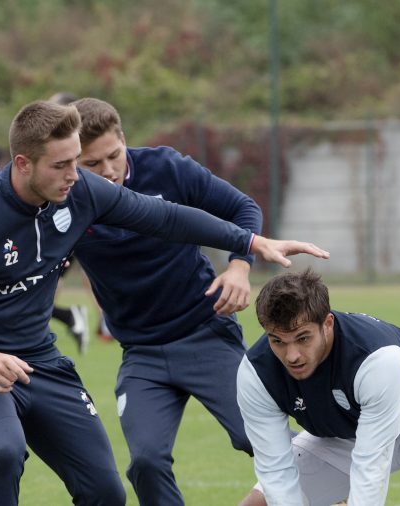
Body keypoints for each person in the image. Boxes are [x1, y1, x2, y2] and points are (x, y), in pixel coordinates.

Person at [0, 100, 329, 505]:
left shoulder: (84, 190)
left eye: (77, 162)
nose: (78, 175)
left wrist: (249, 244)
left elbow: (165, 217)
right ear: (23, 164)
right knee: (6, 451)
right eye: (65, 165)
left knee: (107, 489)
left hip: (47, 362)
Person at [70, 97, 261, 505]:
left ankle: (333, 493)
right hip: (142, 354)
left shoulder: (167, 168)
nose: (107, 171)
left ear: (124, 140)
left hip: (205, 332)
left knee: (260, 438)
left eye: (113, 156)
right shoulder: (65, 198)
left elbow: (243, 208)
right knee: (146, 462)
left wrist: (240, 267)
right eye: (92, 164)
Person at [236, 268, 400, 506]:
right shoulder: (257, 374)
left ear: (327, 323)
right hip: (351, 431)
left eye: (303, 338)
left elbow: (370, 464)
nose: (292, 356)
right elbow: (275, 470)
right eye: (277, 341)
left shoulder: (375, 358)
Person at [46, 91, 90, 354]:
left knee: (39, 296)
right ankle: (72, 317)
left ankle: (74, 318)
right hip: (55, 233)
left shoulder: (77, 163)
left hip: (65, 235)